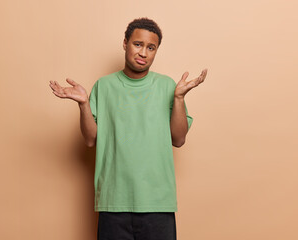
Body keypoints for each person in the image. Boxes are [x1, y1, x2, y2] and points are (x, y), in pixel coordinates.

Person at [49, 17, 207, 240]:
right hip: (113, 202)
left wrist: (179, 99)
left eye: (151, 48)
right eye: (138, 44)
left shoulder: (168, 86)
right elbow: (90, 139)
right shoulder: (103, 86)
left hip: (157, 202)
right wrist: (84, 104)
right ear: (125, 43)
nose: (143, 53)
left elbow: (178, 139)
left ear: (156, 51)